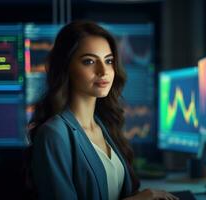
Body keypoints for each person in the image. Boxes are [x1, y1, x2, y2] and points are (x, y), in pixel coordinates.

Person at [28, 20, 178, 200]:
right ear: (66, 66)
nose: (103, 71)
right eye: (89, 61)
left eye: (108, 61)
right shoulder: (54, 134)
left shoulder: (103, 125)